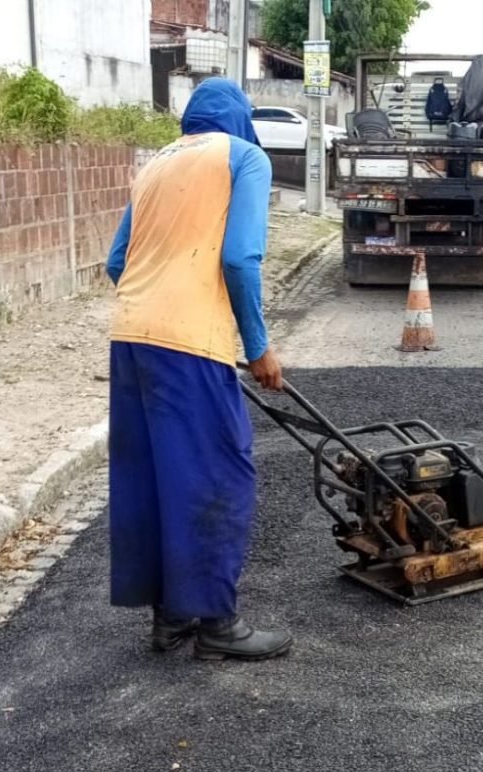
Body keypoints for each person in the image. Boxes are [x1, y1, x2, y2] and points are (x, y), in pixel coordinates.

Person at [104, 78, 292, 660]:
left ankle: (169, 619)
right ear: (240, 119)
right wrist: (257, 347)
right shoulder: (245, 157)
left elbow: (117, 262)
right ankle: (217, 625)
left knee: (155, 478)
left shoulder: (155, 165)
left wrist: (160, 306)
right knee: (218, 473)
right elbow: (239, 258)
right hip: (187, 344)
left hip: (130, 335)